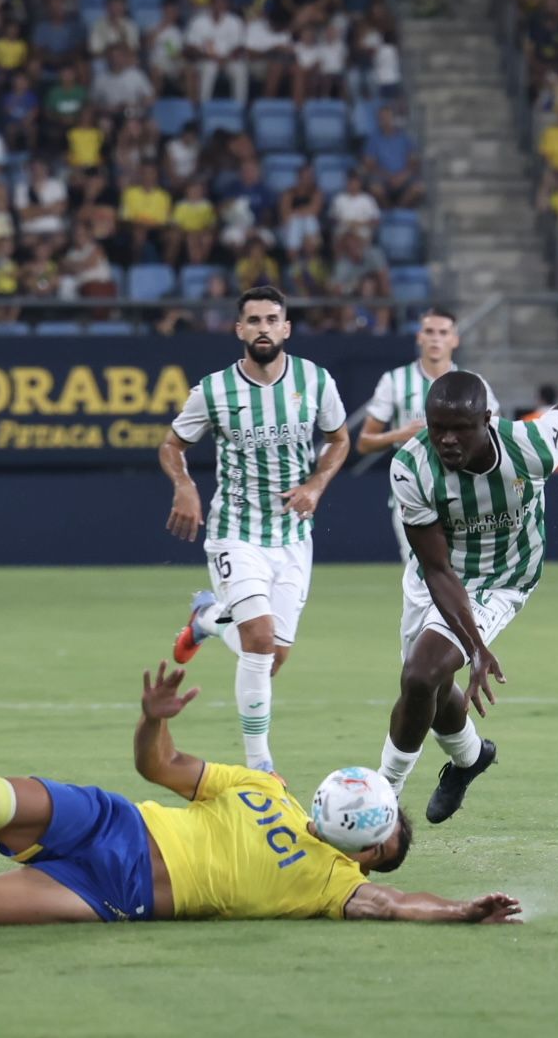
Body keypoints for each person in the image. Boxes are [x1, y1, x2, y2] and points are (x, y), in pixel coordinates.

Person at [0, 663, 524, 928]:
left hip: (110, 889)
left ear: (370, 848)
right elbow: (159, 768)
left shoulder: (336, 886)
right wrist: (149, 720)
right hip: (109, 818)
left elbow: (394, 903)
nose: (372, 847)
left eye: (379, 842)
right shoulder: (263, 787)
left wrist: (454, 911)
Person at [379, 373, 558, 823]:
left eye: (460, 428)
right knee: (427, 685)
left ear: (488, 420)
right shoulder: (410, 466)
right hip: (437, 578)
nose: (447, 439)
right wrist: (476, 648)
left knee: (422, 674)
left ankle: (382, 799)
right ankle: (471, 757)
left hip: (503, 579)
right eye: (437, 426)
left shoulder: (532, 446)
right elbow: (438, 570)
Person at [160, 287, 352, 773]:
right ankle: (260, 766)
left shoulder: (314, 380)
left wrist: (317, 483)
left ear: (286, 328)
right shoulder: (214, 391)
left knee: (272, 656)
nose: (263, 328)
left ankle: (205, 618)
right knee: (260, 641)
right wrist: (183, 485)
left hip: (292, 536)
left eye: (272, 319)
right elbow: (171, 445)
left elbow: (339, 440)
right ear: (239, 329)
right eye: (254, 320)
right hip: (236, 533)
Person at [357, 309, 500, 558]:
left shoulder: (474, 384)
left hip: (464, 492)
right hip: (413, 493)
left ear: (455, 340)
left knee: (464, 573)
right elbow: (364, 443)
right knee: (422, 577)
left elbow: (496, 435)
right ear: (419, 337)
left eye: (443, 333)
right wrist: (400, 434)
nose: (436, 339)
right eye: (429, 332)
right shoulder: (395, 381)